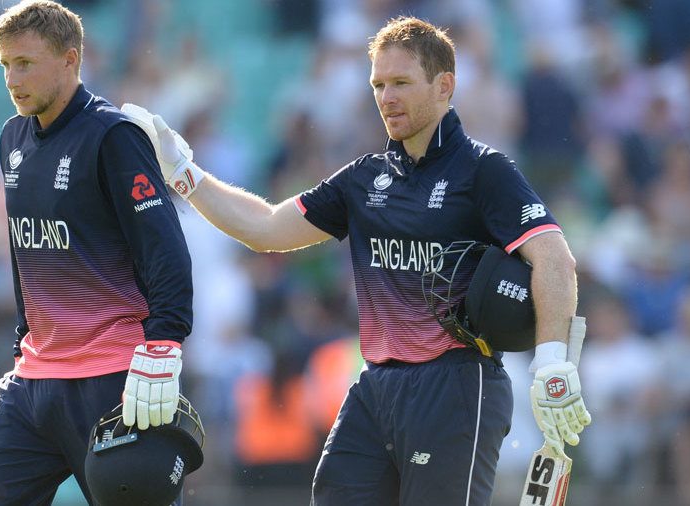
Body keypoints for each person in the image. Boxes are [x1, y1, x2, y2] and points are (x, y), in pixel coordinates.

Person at [128, 16, 590, 505]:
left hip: (457, 386)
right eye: (379, 85)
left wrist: (551, 363)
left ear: (444, 86)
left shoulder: (483, 170)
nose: (386, 98)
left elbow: (554, 258)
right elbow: (265, 229)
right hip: (376, 388)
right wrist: (184, 173)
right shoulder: (364, 178)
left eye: (401, 84)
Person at [0, 1, 194, 504]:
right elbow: (28, 250)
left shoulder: (112, 136)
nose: (12, 79)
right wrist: (23, 338)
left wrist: (165, 344)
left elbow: (165, 246)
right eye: (5, 65)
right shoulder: (11, 137)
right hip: (35, 379)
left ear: (70, 58)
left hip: (111, 380)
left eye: (25, 63)